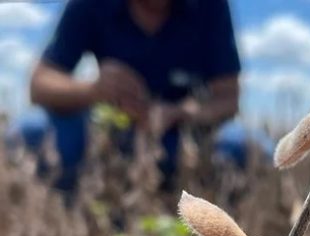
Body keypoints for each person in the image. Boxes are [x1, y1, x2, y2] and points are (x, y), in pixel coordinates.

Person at [30, 0, 241, 193]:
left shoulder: (211, 5)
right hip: (107, 132)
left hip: (181, 135)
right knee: (30, 135)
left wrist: (177, 113)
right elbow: (40, 84)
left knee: (241, 149)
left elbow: (228, 98)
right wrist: (93, 91)